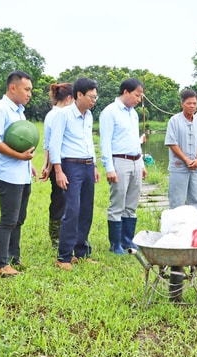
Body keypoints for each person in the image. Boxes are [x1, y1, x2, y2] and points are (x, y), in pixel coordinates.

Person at [0, 70, 37, 277]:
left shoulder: (19, 110)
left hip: (21, 173)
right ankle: (1, 265)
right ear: (12, 87)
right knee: (8, 219)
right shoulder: (0, 109)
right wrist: (18, 155)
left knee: (19, 218)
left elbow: (20, 140)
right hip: (7, 175)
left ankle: (14, 257)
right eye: (26, 89)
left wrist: (28, 164)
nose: (29, 94)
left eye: (31, 90)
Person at [49, 78, 100, 270]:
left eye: (96, 97)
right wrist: (58, 170)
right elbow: (55, 144)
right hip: (70, 166)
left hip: (87, 165)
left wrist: (94, 166)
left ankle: (81, 252)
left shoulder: (89, 116)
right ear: (79, 95)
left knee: (86, 209)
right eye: (91, 97)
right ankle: (63, 257)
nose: (94, 100)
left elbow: (89, 142)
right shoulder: (63, 115)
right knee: (72, 210)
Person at [99, 78, 147, 254]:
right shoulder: (110, 112)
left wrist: (141, 163)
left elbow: (135, 141)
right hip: (119, 161)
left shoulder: (133, 113)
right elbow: (105, 142)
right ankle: (115, 244)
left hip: (135, 160)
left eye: (140, 96)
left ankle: (128, 240)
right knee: (117, 203)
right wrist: (109, 168)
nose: (138, 99)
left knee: (131, 204)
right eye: (137, 95)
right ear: (125, 92)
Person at [40, 83, 74, 248]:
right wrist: (50, 167)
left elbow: (46, 145)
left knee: (63, 200)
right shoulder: (58, 115)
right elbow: (51, 144)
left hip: (60, 163)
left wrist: (46, 165)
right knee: (60, 201)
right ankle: (56, 238)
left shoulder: (51, 115)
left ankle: (62, 236)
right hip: (60, 164)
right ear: (69, 99)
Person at [164, 89, 197, 210]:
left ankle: (195, 227)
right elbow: (172, 143)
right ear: (182, 104)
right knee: (177, 200)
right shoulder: (174, 120)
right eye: (189, 103)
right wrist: (186, 160)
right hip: (179, 166)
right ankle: (175, 228)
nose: (192, 106)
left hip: (196, 166)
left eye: (194, 103)